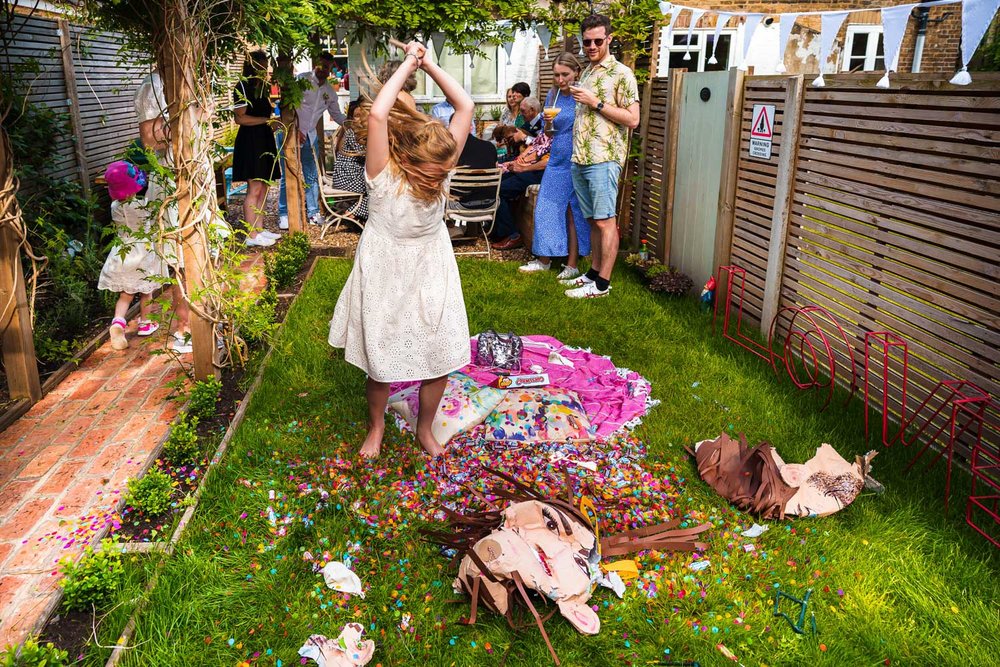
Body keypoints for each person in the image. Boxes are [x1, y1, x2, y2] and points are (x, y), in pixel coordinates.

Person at [328, 40, 474, 459]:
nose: (444, 177)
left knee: (439, 351)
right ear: (410, 160)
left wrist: (429, 63)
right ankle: (376, 428)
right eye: (436, 172)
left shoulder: (440, 157)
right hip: (385, 262)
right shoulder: (382, 170)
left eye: (446, 169)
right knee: (382, 354)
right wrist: (408, 62)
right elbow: (377, 113)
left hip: (432, 262)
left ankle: (424, 429)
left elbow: (463, 107)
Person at [565, 13, 640, 299]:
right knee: (593, 220)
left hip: (604, 157)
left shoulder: (622, 74)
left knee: (606, 220)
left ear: (609, 39)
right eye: (587, 41)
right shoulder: (586, 72)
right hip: (581, 157)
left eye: (598, 40)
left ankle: (602, 285)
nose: (592, 46)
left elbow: (633, 119)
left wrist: (596, 102)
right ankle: (593, 273)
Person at [134, 69, 194, 353]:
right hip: (172, 178)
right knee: (179, 259)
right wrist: (180, 128)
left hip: (196, 175)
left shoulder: (191, 77)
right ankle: (185, 328)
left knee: (204, 249)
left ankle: (206, 316)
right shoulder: (153, 86)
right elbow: (149, 141)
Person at [518, 53, 590, 280]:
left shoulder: (583, 95)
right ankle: (544, 259)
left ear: (576, 72)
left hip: (576, 158)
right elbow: (549, 133)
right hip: (557, 158)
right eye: (556, 75)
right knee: (546, 207)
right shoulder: (553, 94)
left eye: (565, 75)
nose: (560, 79)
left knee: (572, 211)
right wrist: (548, 123)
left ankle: (571, 265)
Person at [98, 160, 168, 351]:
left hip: (123, 252)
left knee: (126, 294)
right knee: (146, 291)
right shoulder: (143, 205)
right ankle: (146, 323)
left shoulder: (115, 207)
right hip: (142, 252)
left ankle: (118, 323)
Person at [278, 52, 347, 229]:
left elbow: (337, 115)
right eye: (322, 66)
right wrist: (296, 129)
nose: (325, 70)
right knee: (288, 175)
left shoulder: (330, 92)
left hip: (311, 137)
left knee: (311, 175)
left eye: (328, 67)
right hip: (291, 133)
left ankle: (313, 212)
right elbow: (288, 105)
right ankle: (284, 214)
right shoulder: (302, 81)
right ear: (315, 64)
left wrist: (355, 123)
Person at [232, 49, 279, 247]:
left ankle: (259, 230)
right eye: (260, 64)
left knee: (265, 185)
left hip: (264, 138)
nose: (263, 68)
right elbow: (239, 117)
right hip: (251, 140)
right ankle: (250, 236)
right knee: (255, 186)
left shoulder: (263, 87)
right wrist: (265, 120)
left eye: (265, 64)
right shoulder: (242, 86)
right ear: (251, 65)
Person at [492, 97, 549, 251]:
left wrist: (522, 168)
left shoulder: (555, 134)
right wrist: (517, 162)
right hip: (528, 166)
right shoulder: (545, 131)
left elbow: (547, 161)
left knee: (499, 190)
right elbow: (534, 150)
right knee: (497, 182)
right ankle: (498, 230)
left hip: (539, 172)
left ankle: (512, 235)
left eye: (524, 111)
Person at [330, 100, 368, 224]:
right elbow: (364, 154)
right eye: (356, 116)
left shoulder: (351, 131)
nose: (359, 119)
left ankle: (356, 212)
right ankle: (352, 212)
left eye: (361, 116)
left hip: (347, 177)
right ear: (350, 117)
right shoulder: (351, 132)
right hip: (347, 179)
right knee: (378, 189)